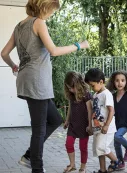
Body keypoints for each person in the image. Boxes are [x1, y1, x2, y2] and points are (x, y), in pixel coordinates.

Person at [1, 0, 89, 172]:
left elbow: (4, 53)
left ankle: (29, 156)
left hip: (26, 80)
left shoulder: (19, 26)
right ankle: (36, 168)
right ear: (44, 8)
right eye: (51, 11)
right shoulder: (38, 22)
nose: (51, 15)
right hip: (37, 82)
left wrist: (13, 65)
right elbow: (54, 50)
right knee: (39, 129)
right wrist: (79, 45)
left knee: (55, 119)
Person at [85, 68, 119, 173]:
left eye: (92, 85)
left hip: (106, 128)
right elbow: (93, 111)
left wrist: (106, 125)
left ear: (101, 82)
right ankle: (102, 169)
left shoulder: (106, 94)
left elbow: (111, 110)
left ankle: (115, 160)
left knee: (101, 147)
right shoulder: (95, 95)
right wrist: (90, 126)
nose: (91, 88)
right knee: (98, 150)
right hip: (97, 126)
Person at [63, 71, 93, 173]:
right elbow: (70, 108)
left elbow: (90, 110)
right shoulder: (71, 95)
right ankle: (72, 164)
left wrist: (90, 125)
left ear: (79, 84)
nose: (70, 89)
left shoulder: (86, 94)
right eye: (68, 87)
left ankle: (83, 167)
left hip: (84, 125)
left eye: (72, 87)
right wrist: (67, 120)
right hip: (73, 124)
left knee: (83, 147)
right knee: (68, 143)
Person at [107, 70, 127, 170]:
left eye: (122, 80)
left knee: (117, 136)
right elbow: (112, 111)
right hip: (116, 123)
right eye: (117, 80)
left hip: (126, 122)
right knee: (116, 143)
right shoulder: (112, 96)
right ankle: (121, 162)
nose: (120, 83)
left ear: (126, 82)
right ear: (113, 82)